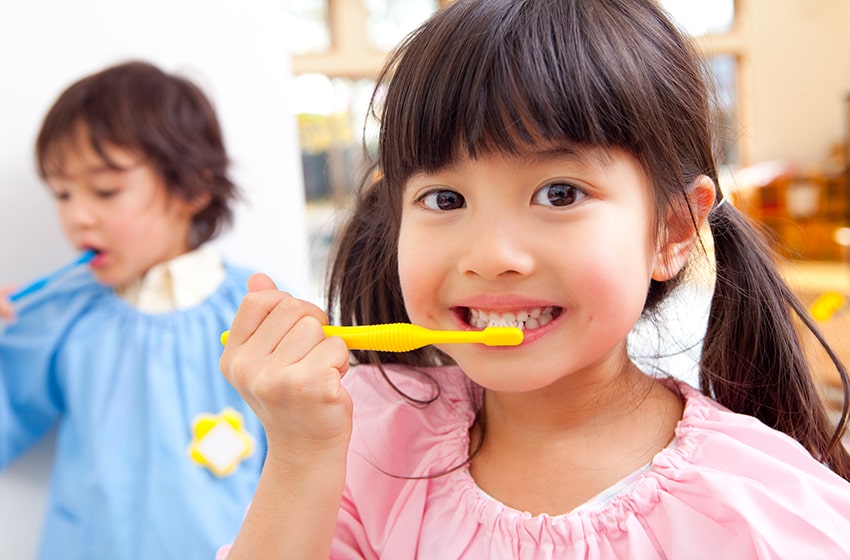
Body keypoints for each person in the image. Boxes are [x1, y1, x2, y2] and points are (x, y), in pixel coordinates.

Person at [218, 1, 850, 558]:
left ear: (673, 231)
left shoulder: (764, 512)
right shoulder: (364, 442)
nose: (491, 256)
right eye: (444, 200)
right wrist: (301, 455)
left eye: (559, 192)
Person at [0, 61, 266, 560]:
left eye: (105, 190)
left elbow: (310, 466)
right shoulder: (61, 315)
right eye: (62, 193)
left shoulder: (256, 314)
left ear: (194, 187)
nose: (77, 215)